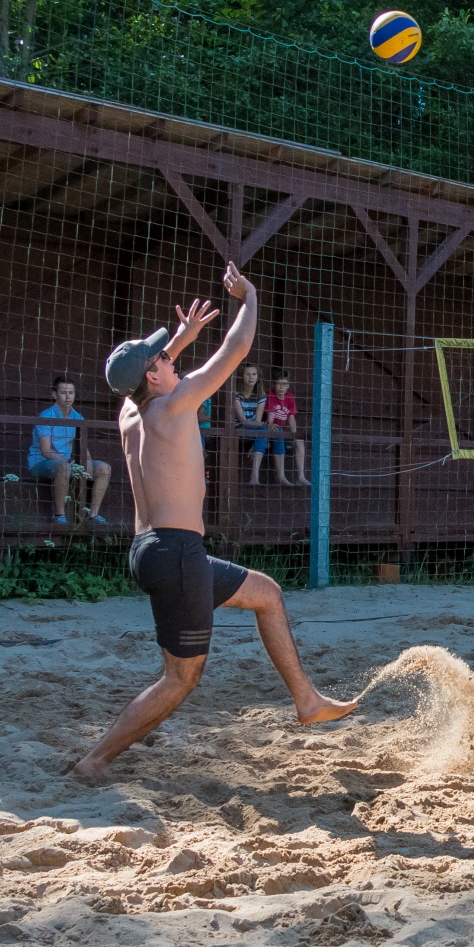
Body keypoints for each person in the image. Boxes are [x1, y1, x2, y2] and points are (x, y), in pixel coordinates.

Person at [73, 263, 357, 779]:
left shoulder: (131, 413)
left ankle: (308, 700)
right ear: (155, 377)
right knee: (180, 679)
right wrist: (249, 295)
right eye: (163, 357)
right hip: (176, 553)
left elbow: (144, 378)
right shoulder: (177, 404)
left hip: (152, 548)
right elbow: (237, 350)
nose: (170, 358)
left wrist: (179, 340)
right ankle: (94, 761)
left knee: (266, 594)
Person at [28, 375, 111, 525]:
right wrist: (70, 463)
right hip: (42, 462)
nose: (67, 397)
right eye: (63, 392)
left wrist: (88, 462)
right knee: (65, 468)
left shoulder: (78, 417)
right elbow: (45, 451)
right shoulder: (46, 416)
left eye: (71, 393)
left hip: (67, 463)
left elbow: (81, 444)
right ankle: (60, 515)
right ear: (55, 395)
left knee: (104, 468)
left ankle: (93, 515)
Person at [264, 369, 310, 487]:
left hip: (283, 431)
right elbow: (271, 416)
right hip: (271, 430)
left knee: (299, 442)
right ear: (273, 384)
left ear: (288, 385)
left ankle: (301, 477)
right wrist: (270, 424)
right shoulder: (270, 395)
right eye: (278, 383)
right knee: (278, 434)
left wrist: (294, 435)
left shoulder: (289, 397)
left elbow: (291, 418)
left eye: (284, 384)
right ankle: (281, 476)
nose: (281, 387)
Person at [233, 363, 273, 484]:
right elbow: (242, 420)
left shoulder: (261, 395)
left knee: (272, 433)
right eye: (248, 374)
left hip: (254, 428)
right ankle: (254, 476)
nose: (251, 377)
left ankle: (254, 476)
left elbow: (257, 420)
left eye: (254, 374)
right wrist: (265, 425)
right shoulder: (236, 393)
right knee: (265, 431)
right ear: (241, 376)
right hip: (239, 428)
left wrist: (261, 426)